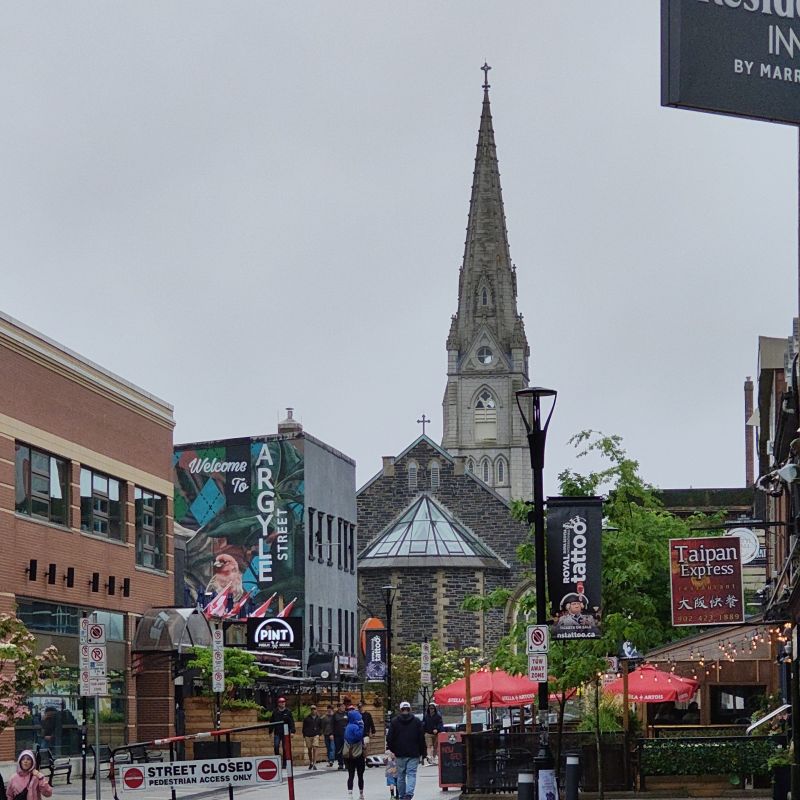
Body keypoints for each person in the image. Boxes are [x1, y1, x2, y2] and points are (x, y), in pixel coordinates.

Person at [387, 701, 425, 800]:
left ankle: (402, 795)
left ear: (400, 710)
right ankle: (409, 794)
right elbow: (421, 738)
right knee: (411, 774)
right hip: (414, 752)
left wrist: (393, 749)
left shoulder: (395, 721)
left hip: (400, 753)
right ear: (410, 709)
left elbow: (389, 738)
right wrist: (422, 752)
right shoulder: (417, 721)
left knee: (401, 775)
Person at [343, 707, 366, 800]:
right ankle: (361, 794)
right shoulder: (355, 726)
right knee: (360, 775)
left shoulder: (348, 726)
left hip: (348, 754)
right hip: (357, 754)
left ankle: (350, 794)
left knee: (350, 774)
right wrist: (361, 726)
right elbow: (358, 736)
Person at [270, 697, 295, 766]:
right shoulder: (275, 712)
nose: (283, 703)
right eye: (281, 702)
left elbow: (292, 722)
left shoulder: (288, 712)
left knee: (285, 748)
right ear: (278, 703)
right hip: (277, 732)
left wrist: (292, 731)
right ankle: (277, 761)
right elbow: (271, 722)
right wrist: (270, 731)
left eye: (284, 702)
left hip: (285, 733)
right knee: (276, 746)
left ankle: (284, 763)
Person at [302, 705, 322, 770]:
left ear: (316, 710)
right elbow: (304, 727)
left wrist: (319, 734)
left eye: (314, 709)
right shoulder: (306, 718)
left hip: (315, 735)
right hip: (308, 735)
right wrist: (304, 735)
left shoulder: (319, 718)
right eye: (312, 709)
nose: (313, 710)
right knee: (309, 749)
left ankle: (314, 763)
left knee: (315, 748)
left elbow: (321, 727)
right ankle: (311, 762)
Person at [333, 701, 349, 770]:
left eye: (344, 706)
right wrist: (331, 734)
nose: (343, 707)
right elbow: (332, 725)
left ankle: (347, 764)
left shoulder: (347, 714)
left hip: (346, 735)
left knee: (346, 750)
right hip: (337, 735)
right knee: (339, 750)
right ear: (338, 707)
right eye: (342, 706)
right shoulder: (335, 715)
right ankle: (340, 764)